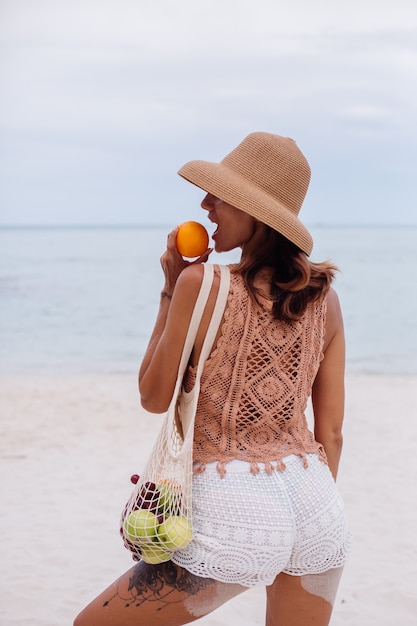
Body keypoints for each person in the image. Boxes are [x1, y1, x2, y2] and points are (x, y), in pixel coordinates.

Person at [74, 132, 351, 626]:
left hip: (237, 510)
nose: (205, 204)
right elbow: (330, 432)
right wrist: (299, 518)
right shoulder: (324, 300)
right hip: (317, 507)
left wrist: (169, 287)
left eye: (218, 195)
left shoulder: (200, 282)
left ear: (254, 210)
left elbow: (153, 397)